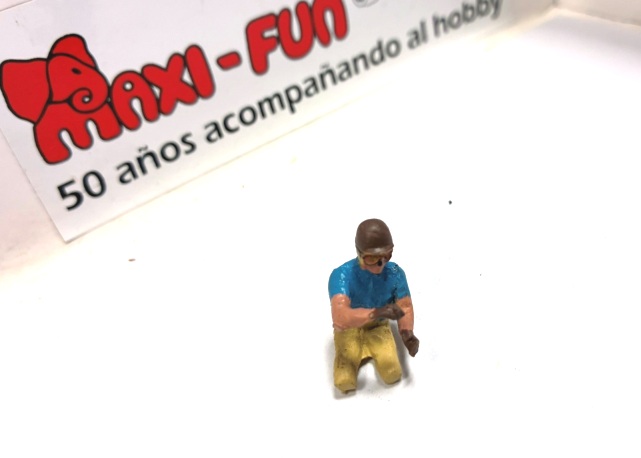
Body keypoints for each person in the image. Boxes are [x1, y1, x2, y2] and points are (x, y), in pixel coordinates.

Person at [328, 218, 419, 393]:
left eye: (387, 256)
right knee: (344, 380)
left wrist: (407, 333)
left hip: (378, 327)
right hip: (349, 329)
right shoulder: (342, 276)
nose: (381, 264)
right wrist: (377, 312)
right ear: (359, 254)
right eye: (372, 258)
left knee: (392, 372)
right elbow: (340, 317)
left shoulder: (395, 274)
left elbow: (405, 306)